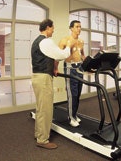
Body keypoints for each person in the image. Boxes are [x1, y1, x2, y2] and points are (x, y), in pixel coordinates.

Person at [31, 19, 75, 150]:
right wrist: (69, 45)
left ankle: (39, 134)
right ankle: (43, 140)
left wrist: (54, 68)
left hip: (38, 77)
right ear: (48, 28)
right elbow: (61, 55)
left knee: (40, 108)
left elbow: (51, 57)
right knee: (46, 110)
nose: (53, 30)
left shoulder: (37, 41)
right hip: (43, 79)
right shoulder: (46, 41)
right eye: (52, 28)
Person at [58, 20, 85, 127]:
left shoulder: (81, 41)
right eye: (77, 26)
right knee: (72, 94)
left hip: (80, 68)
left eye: (80, 27)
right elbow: (58, 55)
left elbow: (83, 55)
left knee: (78, 94)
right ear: (71, 28)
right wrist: (55, 68)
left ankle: (74, 114)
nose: (79, 29)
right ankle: (70, 117)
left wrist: (88, 64)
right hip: (70, 68)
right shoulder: (65, 40)